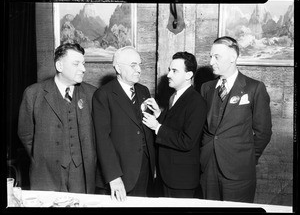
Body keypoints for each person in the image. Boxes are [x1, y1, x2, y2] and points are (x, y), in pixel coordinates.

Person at [200, 36, 272, 203]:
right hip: (208, 168)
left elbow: (264, 132)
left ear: (233, 58)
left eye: (216, 57)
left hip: (239, 173)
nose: (211, 62)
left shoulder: (254, 88)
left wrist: (246, 159)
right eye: (211, 56)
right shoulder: (206, 88)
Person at [18, 43, 97, 193]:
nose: (83, 69)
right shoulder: (33, 94)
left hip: (81, 173)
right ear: (59, 66)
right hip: (46, 173)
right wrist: (42, 155)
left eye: (83, 63)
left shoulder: (92, 94)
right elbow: (25, 134)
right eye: (76, 64)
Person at [92, 46, 155, 201]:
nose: (139, 69)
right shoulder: (103, 94)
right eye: (133, 65)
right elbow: (102, 139)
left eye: (140, 65)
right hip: (120, 171)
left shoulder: (143, 91)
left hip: (144, 168)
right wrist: (114, 177)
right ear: (118, 68)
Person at [142, 51, 207, 198]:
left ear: (189, 75)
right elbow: (176, 124)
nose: (169, 75)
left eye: (174, 71)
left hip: (180, 181)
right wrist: (159, 114)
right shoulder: (175, 96)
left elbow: (187, 141)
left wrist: (156, 127)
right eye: (169, 70)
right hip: (166, 176)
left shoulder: (197, 102)